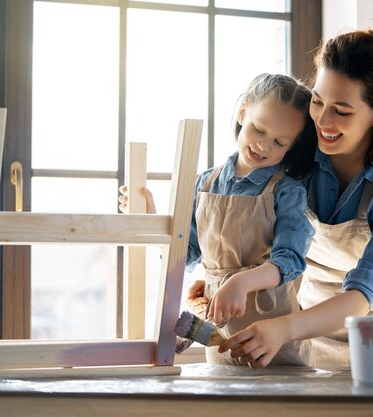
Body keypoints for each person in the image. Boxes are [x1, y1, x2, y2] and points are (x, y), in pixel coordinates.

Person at [218, 27, 373, 369]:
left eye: (341, 110)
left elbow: (364, 294)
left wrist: (284, 328)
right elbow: (242, 198)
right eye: (318, 101)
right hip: (313, 324)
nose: (323, 120)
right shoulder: (298, 151)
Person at [119, 73, 316, 365]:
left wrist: (239, 283)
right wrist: (151, 217)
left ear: (292, 146)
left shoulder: (287, 192)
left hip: (275, 344)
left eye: (279, 142)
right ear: (242, 112)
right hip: (219, 343)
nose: (264, 146)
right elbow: (184, 253)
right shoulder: (206, 183)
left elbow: (289, 261)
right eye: (259, 129)